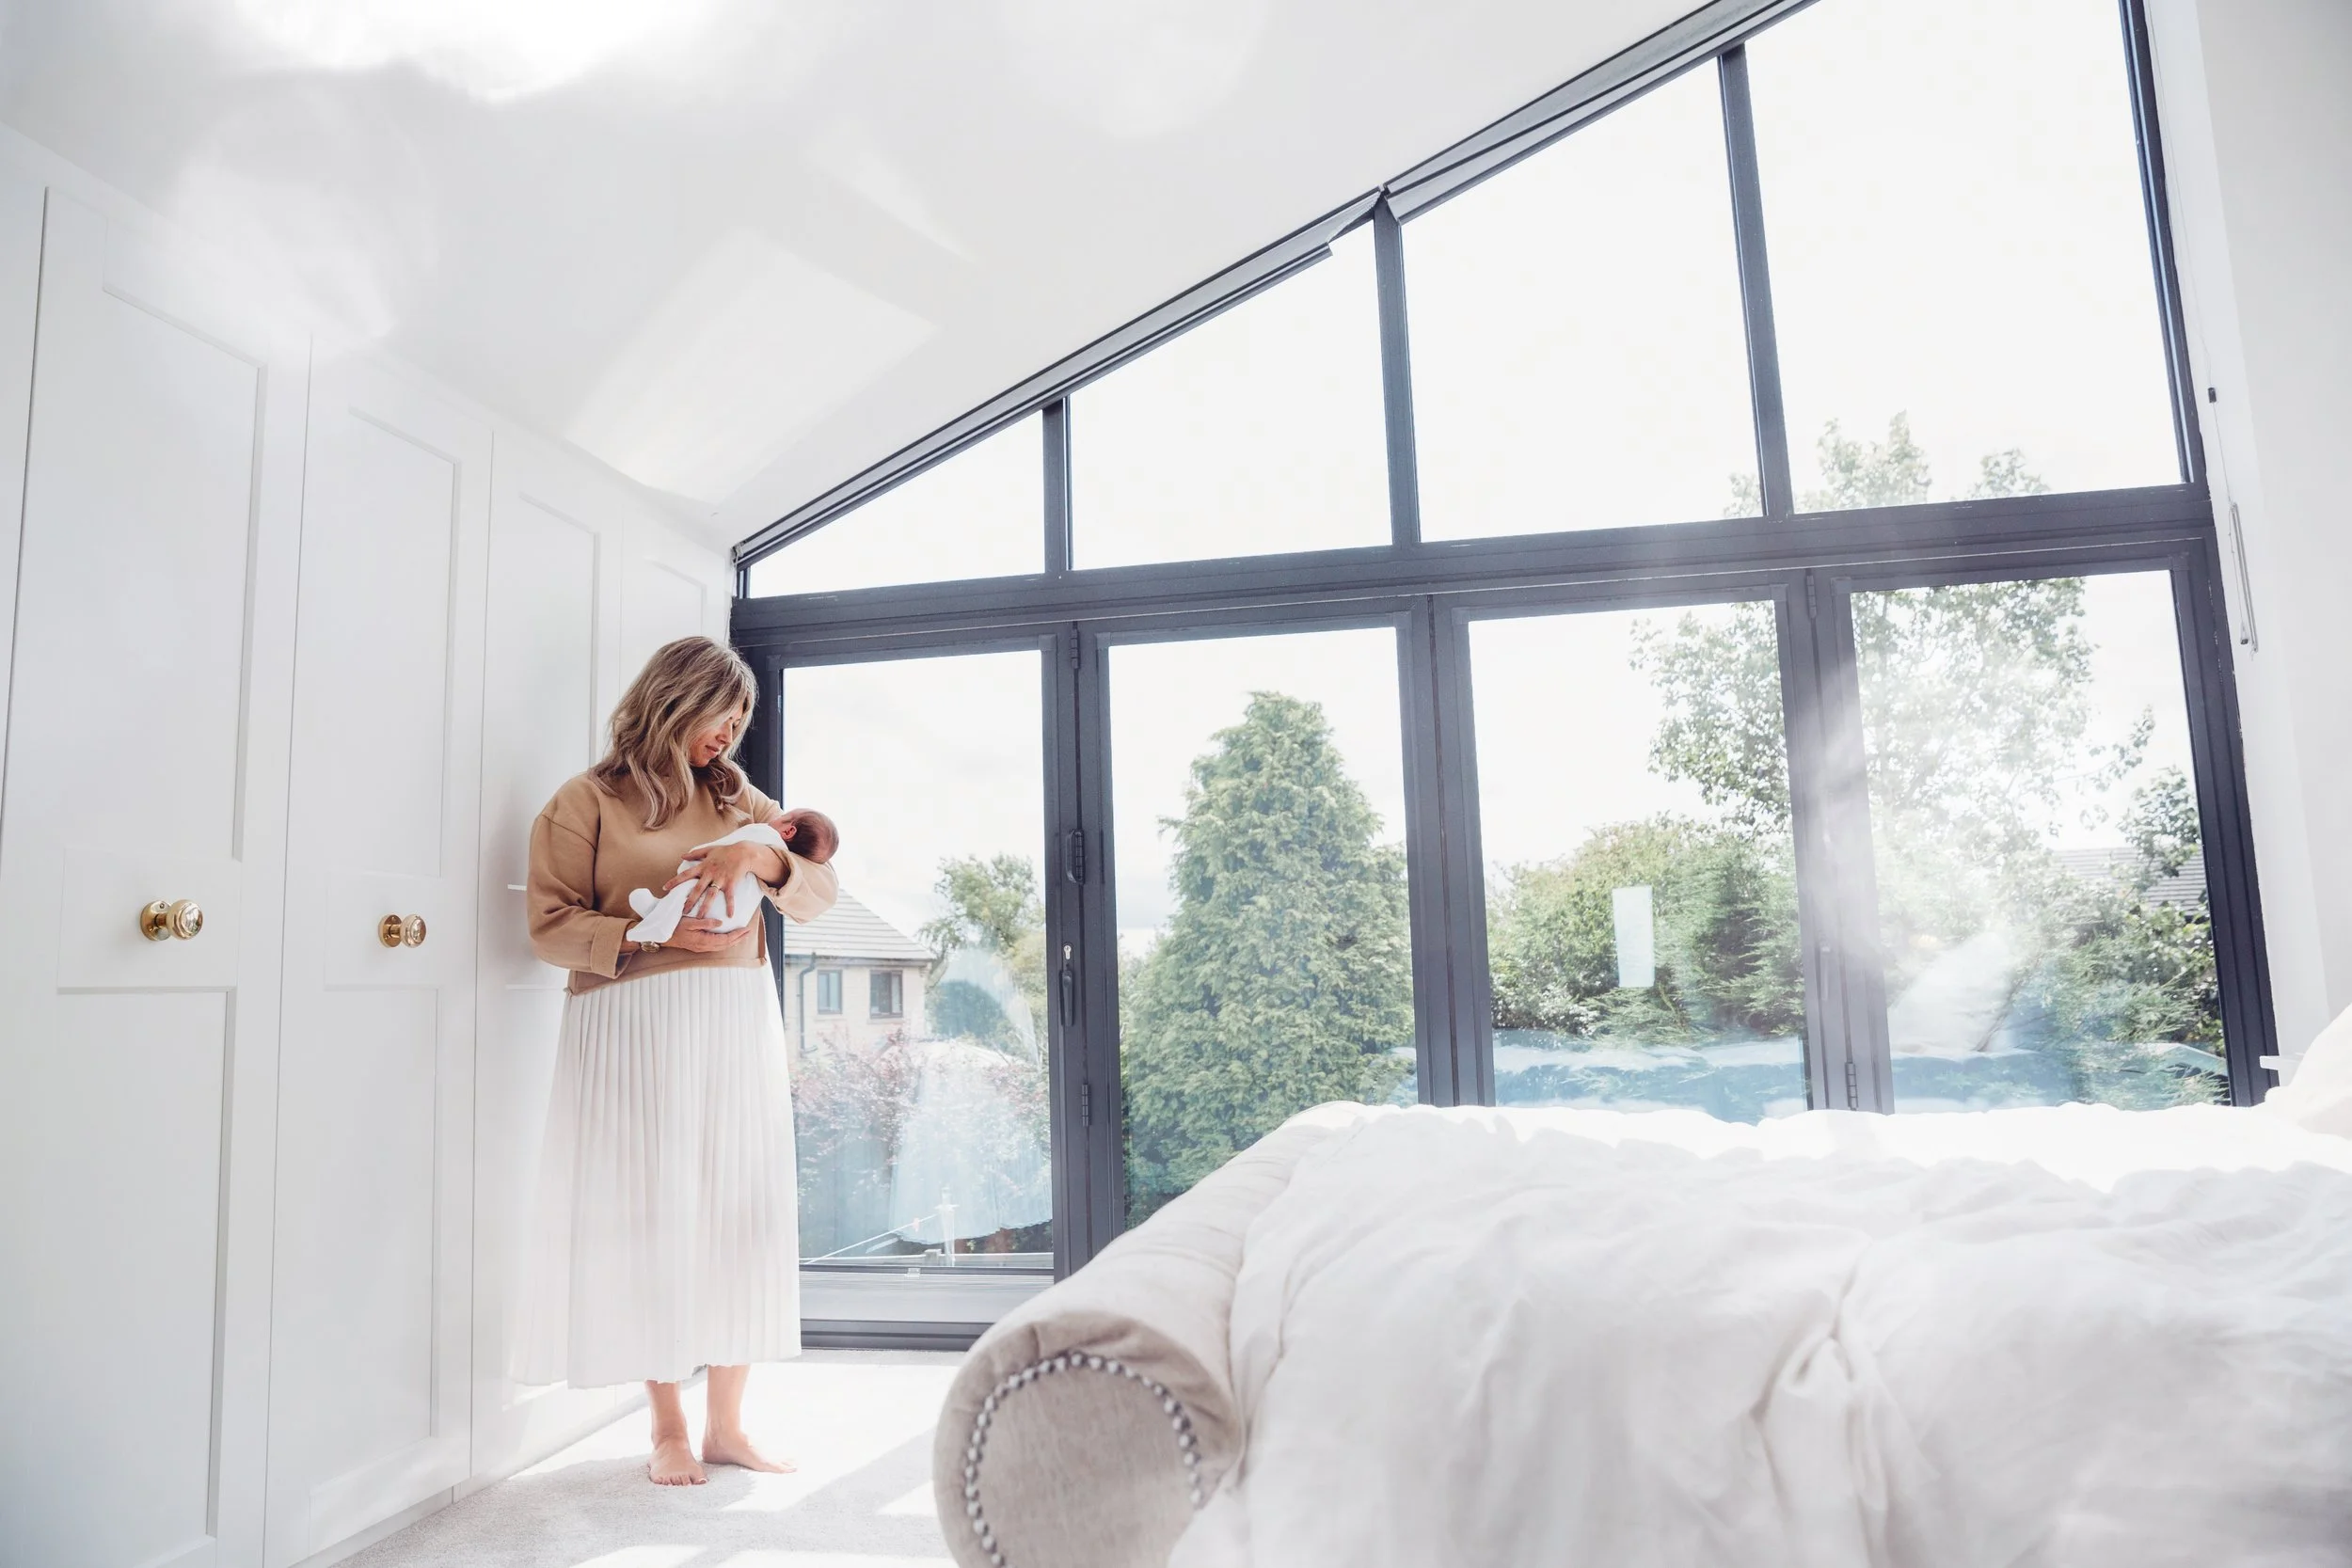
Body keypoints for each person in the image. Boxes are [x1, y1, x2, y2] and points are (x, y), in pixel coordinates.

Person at [513, 635, 838, 1485]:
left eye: (739, 723)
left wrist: (757, 854)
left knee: (739, 1212)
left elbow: (818, 888)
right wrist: (648, 935)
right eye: (719, 719)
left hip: (734, 1021)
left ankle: (726, 1425)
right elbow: (549, 925)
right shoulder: (584, 802)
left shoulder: (737, 796)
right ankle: (667, 1426)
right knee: (650, 1216)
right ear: (673, 702)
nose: (728, 737)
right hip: (630, 1025)